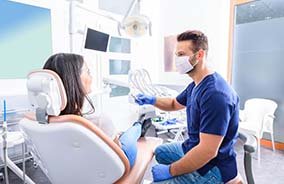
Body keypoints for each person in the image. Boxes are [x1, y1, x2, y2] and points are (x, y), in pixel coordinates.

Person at [135, 30, 239, 183]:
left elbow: (207, 151)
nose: (177, 60)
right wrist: (152, 100)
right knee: (159, 152)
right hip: (192, 146)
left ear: (199, 55)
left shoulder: (215, 95)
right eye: (176, 54)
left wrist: (171, 170)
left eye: (181, 54)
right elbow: (173, 103)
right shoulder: (195, 85)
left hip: (212, 167)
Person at [43, 53, 152, 168]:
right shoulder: (99, 120)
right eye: (88, 72)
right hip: (112, 169)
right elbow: (119, 156)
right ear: (74, 79)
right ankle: (138, 126)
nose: (92, 77)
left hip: (73, 169)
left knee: (122, 134)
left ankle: (130, 130)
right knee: (129, 137)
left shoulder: (43, 121)